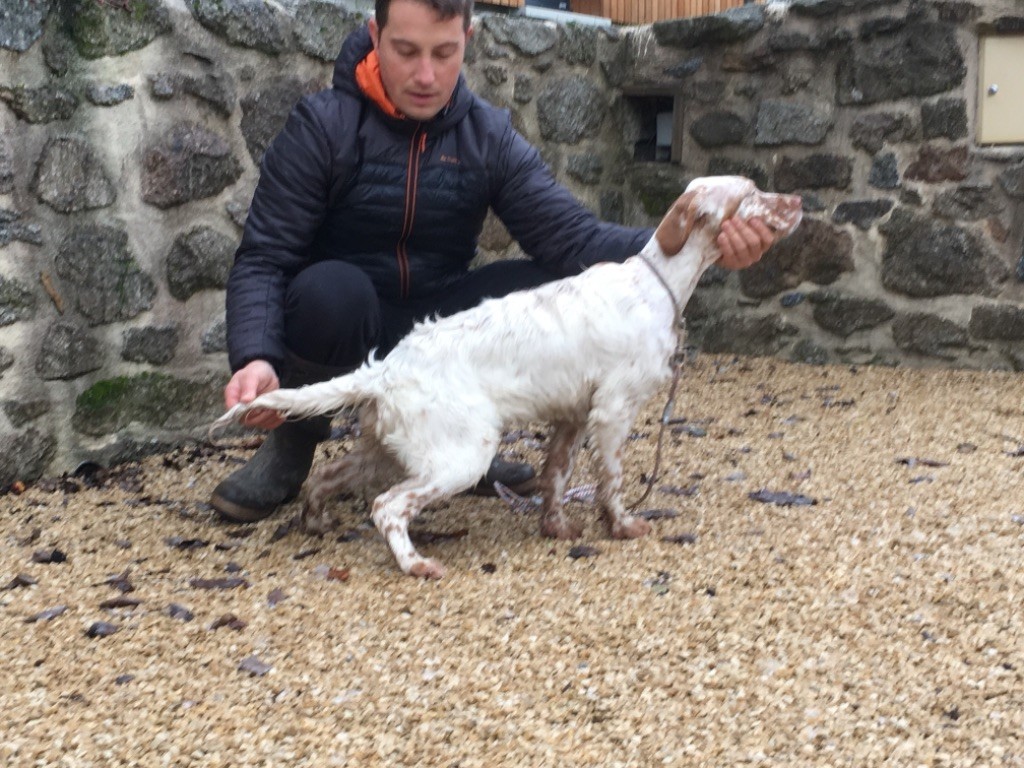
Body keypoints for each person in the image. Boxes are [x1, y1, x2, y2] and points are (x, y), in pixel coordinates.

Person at [210, 0, 778, 523]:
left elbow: (573, 239)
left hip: (439, 325)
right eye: (406, 51)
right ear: (374, 35)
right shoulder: (322, 126)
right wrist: (256, 356)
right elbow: (265, 256)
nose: (426, 75)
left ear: (469, 38)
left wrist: (695, 244)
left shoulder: (488, 135)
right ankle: (293, 444)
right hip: (345, 319)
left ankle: (464, 445)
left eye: (445, 52)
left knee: (561, 280)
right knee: (330, 290)